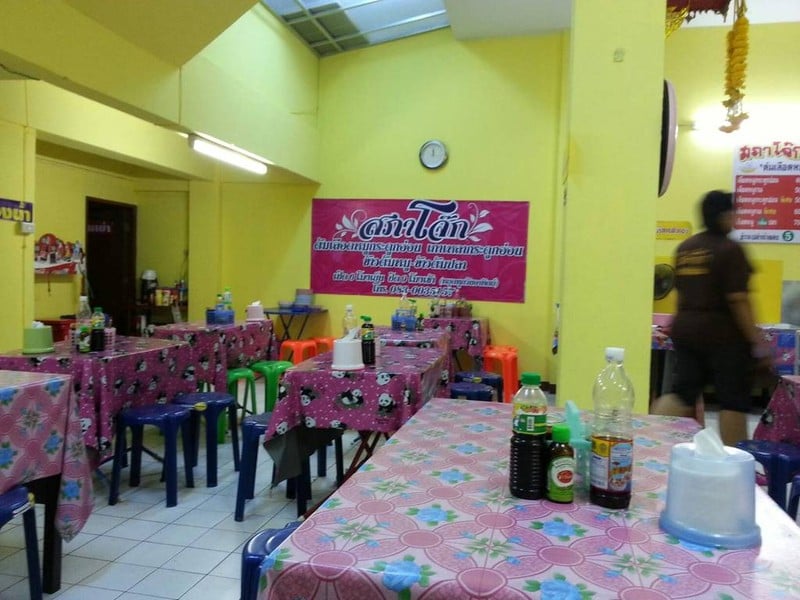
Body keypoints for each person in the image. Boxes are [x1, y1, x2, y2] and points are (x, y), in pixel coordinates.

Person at [651, 190, 770, 445]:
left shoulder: (685, 248)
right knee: (733, 400)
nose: (735, 218)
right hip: (722, 336)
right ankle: (734, 458)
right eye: (733, 213)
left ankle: (650, 440)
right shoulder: (731, 249)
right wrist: (756, 340)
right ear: (724, 215)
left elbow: (682, 292)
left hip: (685, 330)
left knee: (683, 393)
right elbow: (738, 299)